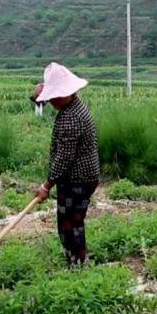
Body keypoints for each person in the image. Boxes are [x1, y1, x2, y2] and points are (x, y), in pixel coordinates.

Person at [31, 63, 100, 267]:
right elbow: (39, 102)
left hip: (78, 179)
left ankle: (78, 265)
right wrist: (38, 94)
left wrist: (46, 186)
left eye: (53, 97)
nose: (50, 101)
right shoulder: (75, 105)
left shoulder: (70, 118)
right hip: (83, 176)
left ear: (65, 94)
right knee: (70, 222)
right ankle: (76, 260)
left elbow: (64, 159)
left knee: (70, 224)